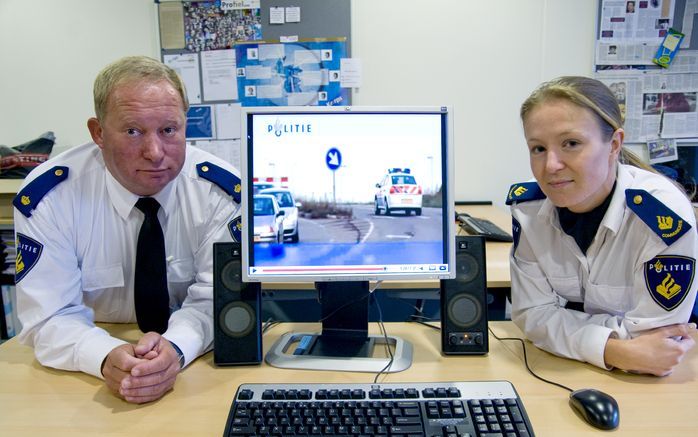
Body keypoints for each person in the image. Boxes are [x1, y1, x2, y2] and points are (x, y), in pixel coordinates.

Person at [13, 56, 242, 403]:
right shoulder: (51, 197)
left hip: (192, 369)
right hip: (86, 373)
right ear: (98, 133)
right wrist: (104, 356)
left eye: (169, 130)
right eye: (133, 131)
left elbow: (217, 302)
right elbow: (48, 316)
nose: (154, 153)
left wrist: (176, 349)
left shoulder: (219, 193)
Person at [507, 76, 697, 376]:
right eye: (538, 148)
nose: (551, 165)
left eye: (571, 144)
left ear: (614, 144)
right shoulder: (528, 209)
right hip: (579, 372)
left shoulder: (661, 215)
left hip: (650, 385)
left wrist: (562, 324)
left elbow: (654, 345)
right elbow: (531, 314)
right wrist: (612, 348)